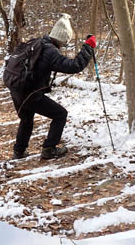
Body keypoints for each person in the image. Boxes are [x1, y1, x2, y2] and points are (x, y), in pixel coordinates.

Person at [10, 14, 97, 160]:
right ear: (63, 38)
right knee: (60, 114)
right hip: (29, 93)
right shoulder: (50, 52)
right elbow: (74, 66)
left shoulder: (38, 43)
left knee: (26, 119)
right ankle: (49, 149)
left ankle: (19, 152)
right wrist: (88, 47)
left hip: (17, 88)